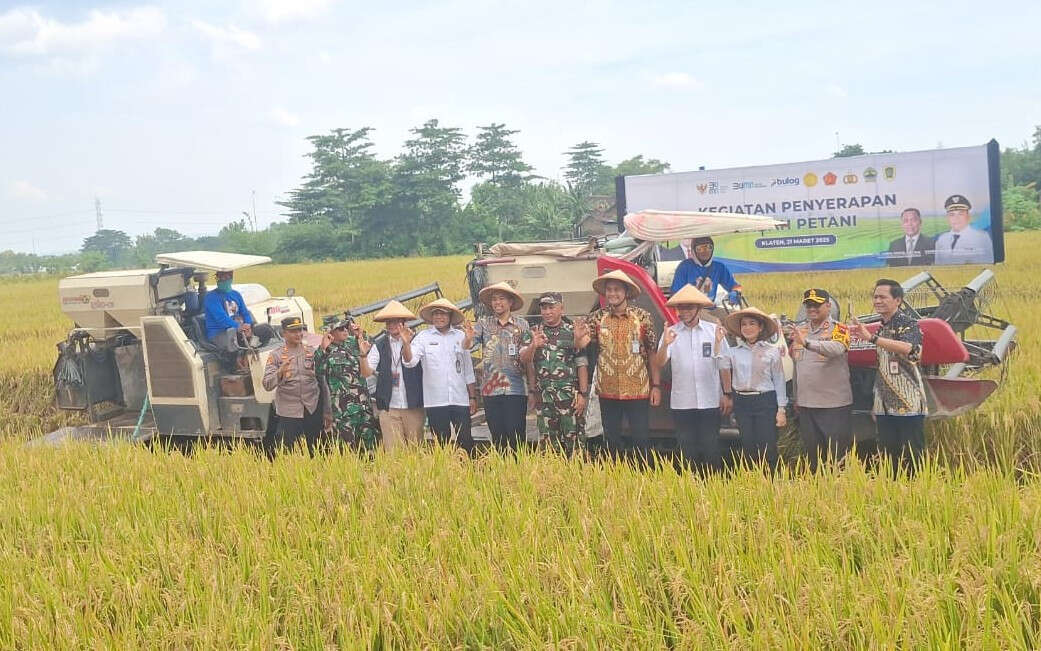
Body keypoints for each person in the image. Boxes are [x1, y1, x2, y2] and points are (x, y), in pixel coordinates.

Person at [575, 269, 661, 462]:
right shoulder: (597, 318)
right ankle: (616, 480)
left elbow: (653, 351)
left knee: (641, 439)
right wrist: (578, 337)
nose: (612, 294)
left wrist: (656, 386)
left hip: (638, 388)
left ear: (626, 292)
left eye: (617, 290)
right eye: (609, 290)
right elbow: (583, 344)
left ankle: (644, 478)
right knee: (611, 439)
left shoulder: (642, 317)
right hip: (608, 390)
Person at [849, 279, 929, 474]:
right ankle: (893, 492)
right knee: (887, 454)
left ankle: (917, 494)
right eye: (875, 297)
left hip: (908, 402)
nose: (877, 301)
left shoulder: (908, 324)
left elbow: (911, 350)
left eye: (883, 297)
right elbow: (882, 367)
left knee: (912, 454)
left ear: (898, 300)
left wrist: (872, 338)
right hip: (884, 404)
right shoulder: (882, 327)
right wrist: (876, 403)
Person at [653, 284, 731, 474]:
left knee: (711, 446)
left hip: (710, 400)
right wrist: (665, 345)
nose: (683, 311)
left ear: (698, 308)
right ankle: (690, 491)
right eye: (681, 307)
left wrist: (727, 394)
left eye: (688, 307)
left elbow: (724, 365)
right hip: (683, 402)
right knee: (687, 450)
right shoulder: (671, 332)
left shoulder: (714, 331)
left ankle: (714, 487)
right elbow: (660, 362)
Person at [786, 289, 853, 471]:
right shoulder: (800, 330)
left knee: (837, 458)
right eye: (809, 305)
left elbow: (837, 348)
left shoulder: (840, 329)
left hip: (833, 406)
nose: (812, 308)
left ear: (828, 306)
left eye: (817, 304)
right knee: (814, 458)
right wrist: (796, 397)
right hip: (807, 405)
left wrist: (807, 343)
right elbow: (797, 368)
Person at [715, 307, 787, 470]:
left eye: (752, 324)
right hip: (742, 401)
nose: (747, 328)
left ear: (760, 327)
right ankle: (752, 485)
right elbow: (720, 364)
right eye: (744, 324)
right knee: (748, 445)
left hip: (765, 401)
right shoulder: (733, 352)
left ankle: (773, 483)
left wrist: (781, 409)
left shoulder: (772, 352)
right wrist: (718, 342)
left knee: (767, 445)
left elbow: (779, 380)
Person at [519, 291, 589, 455]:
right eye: (544, 308)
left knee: (576, 446)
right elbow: (524, 359)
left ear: (561, 309)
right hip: (544, 400)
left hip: (569, 399)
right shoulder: (533, 332)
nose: (547, 312)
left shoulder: (572, 331)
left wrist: (583, 395)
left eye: (551, 307)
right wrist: (533, 346)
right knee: (549, 449)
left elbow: (582, 364)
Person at [404, 298, 478, 453]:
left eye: (443, 314)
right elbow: (410, 362)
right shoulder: (423, 337)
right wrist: (406, 344)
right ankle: (446, 474)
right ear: (431, 317)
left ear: (450, 317)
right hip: (435, 401)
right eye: (436, 314)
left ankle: (471, 472)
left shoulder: (460, 336)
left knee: (465, 440)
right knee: (441, 444)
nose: (439, 317)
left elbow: (468, 370)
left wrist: (472, 397)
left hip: (460, 399)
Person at [464, 282, 530, 451]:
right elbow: (467, 347)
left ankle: (519, 471)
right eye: (494, 299)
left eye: (501, 298)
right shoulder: (484, 324)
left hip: (515, 389)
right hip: (491, 390)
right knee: (498, 437)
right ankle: (502, 473)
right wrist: (468, 338)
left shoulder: (522, 325)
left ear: (510, 302)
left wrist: (533, 389)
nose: (497, 302)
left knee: (517, 437)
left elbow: (528, 359)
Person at [262, 316, 328, 455]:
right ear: (283, 333)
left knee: (318, 449)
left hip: (311, 406)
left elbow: (323, 379)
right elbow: (267, 384)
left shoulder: (311, 351)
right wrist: (280, 372)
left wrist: (327, 411)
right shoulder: (276, 355)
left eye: (300, 330)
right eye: (293, 331)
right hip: (289, 410)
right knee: (286, 450)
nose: (298, 334)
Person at [366, 300, 425, 450]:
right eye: (388, 322)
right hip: (389, 407)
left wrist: (406, 344)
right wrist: (361, 355)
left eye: (396, 321)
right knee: (394, 454)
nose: (392, 325)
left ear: (403, 323)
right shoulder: (379, 345)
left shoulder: (417, 341)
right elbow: (366, 372)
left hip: (413, 405)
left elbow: (410, 361)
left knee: (415, 450)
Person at [314, 316, 380, 450]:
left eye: (345, 327)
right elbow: (318, 371)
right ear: (330, 332)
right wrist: (323, 349)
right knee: (348, 450)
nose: (345, 331)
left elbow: (370, 348)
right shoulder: (324, 351)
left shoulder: (352, 343)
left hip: (363, 406)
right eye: (340, 328)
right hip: (343, 411)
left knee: (370, 447)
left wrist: (360, 335)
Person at [669, 236, 743, 304]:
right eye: (700, 249)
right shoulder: (684, 267)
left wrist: (735, 292)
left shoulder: (719, 267)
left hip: (710, 308)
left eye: (708, 247)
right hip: (690, 309)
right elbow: (675, 294)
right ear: (693, 250)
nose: (705, 251)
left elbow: (736, 286)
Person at [203, 269, 256, 353]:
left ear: (231, 278)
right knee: (242, 341)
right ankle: (242, 359)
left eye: (225, 278)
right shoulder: (211, 297)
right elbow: (222, 319)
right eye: (220, 278)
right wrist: (238, 327)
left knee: (263, 331)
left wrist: (248, 325)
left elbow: (245, 313)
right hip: (219, 332)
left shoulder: (236, 294)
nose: (222, 280)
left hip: (238, 329)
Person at [933, 194, 994, 265]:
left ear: (968, 216)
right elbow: (938, 266)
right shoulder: (941, 239)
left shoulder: (982, 237)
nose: (956, 218)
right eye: (952, 215)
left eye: (960, 214)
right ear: (947, 218)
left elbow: (989, 264)